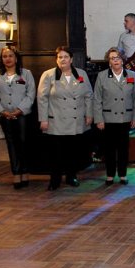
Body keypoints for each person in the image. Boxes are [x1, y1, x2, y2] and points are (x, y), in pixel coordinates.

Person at [37, 46, 93, 190]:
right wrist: (43, 119)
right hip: (56, 121)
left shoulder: (81, 74)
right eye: (60, 57)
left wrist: (89, 114)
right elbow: (42, 99)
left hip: (76, 120)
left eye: (66, 57)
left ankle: (71, 176)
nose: (63, 60)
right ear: (56, 60)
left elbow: (88, 95)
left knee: (73, 151)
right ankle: (54, 180)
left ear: (71, 59)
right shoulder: (48, 75)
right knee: (56, 153)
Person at [0, 46, 35, 189]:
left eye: (10, 56)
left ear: (16, 58)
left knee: (23, 143)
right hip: (5, 115)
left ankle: (25, 172)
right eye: (4, 56)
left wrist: (19, 110)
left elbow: (31, 94)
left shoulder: (26, 74)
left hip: (22, 115)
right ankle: (16, 172)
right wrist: (2, 111)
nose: (7, 59)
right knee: (11, 144)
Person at [93, 47, 135, 186]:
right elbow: (97, 99)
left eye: (118, 57)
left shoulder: (132, 75)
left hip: (125, 117)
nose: (115, 60)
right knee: (109, 149)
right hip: (108, 118)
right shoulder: (102, 76)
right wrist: (99, 119)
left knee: (123, 148)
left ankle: (123, 174)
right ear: (109, 61)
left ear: (123, 60)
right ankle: (110, 175)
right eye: (112, 58)